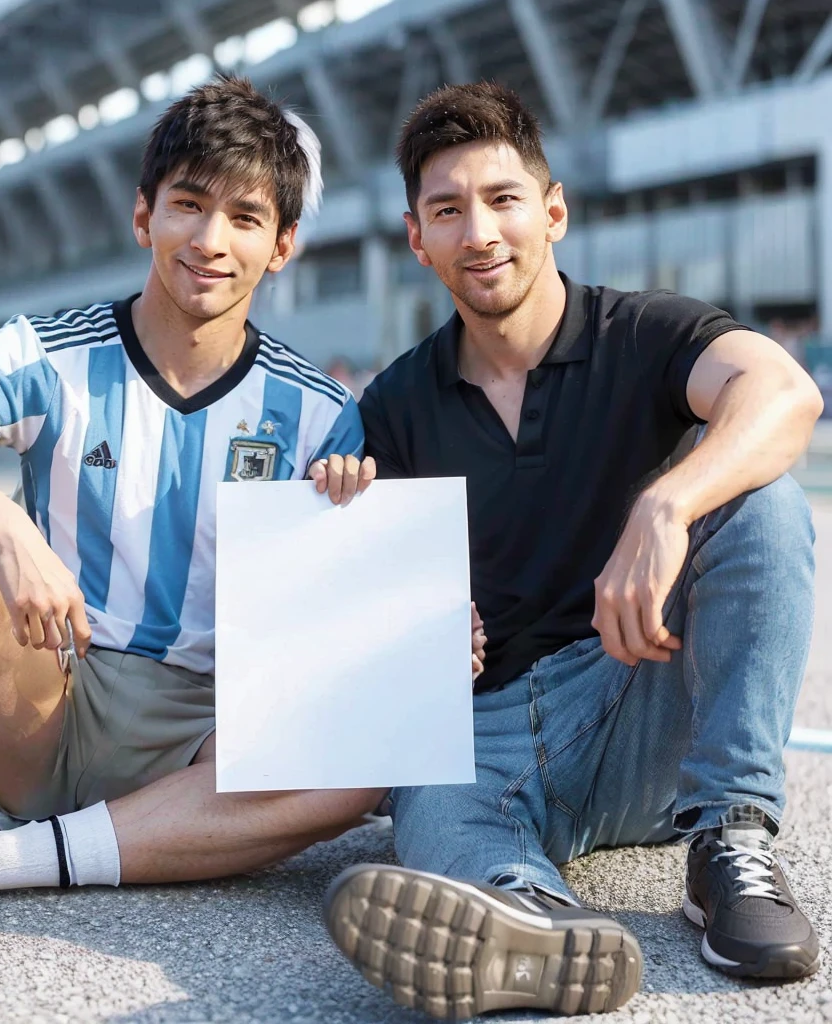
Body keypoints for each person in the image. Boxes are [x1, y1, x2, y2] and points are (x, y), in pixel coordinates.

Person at [0, 76, 384, 940]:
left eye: (245, 218)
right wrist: (6, 528)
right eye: (188, 204)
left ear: (284, 244)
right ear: (143, 215)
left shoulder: (317, 408)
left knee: (357, 770)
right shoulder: (53, 350)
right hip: (46, 695)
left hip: (200, 738)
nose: (210, 240)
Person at [323, 81, 823, 1020]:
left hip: (641, 691)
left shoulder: (645, 333)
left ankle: (732, 842)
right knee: (428, 799)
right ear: (416, 238)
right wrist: (411, 619)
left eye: (503, 199)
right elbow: (341, 601)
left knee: (763, 504)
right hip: (491, 734)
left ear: (553, 211)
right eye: (447, 210)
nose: (479, 231)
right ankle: (531, 922)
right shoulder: (391, 405)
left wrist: (667, 505)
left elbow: (786, 392)